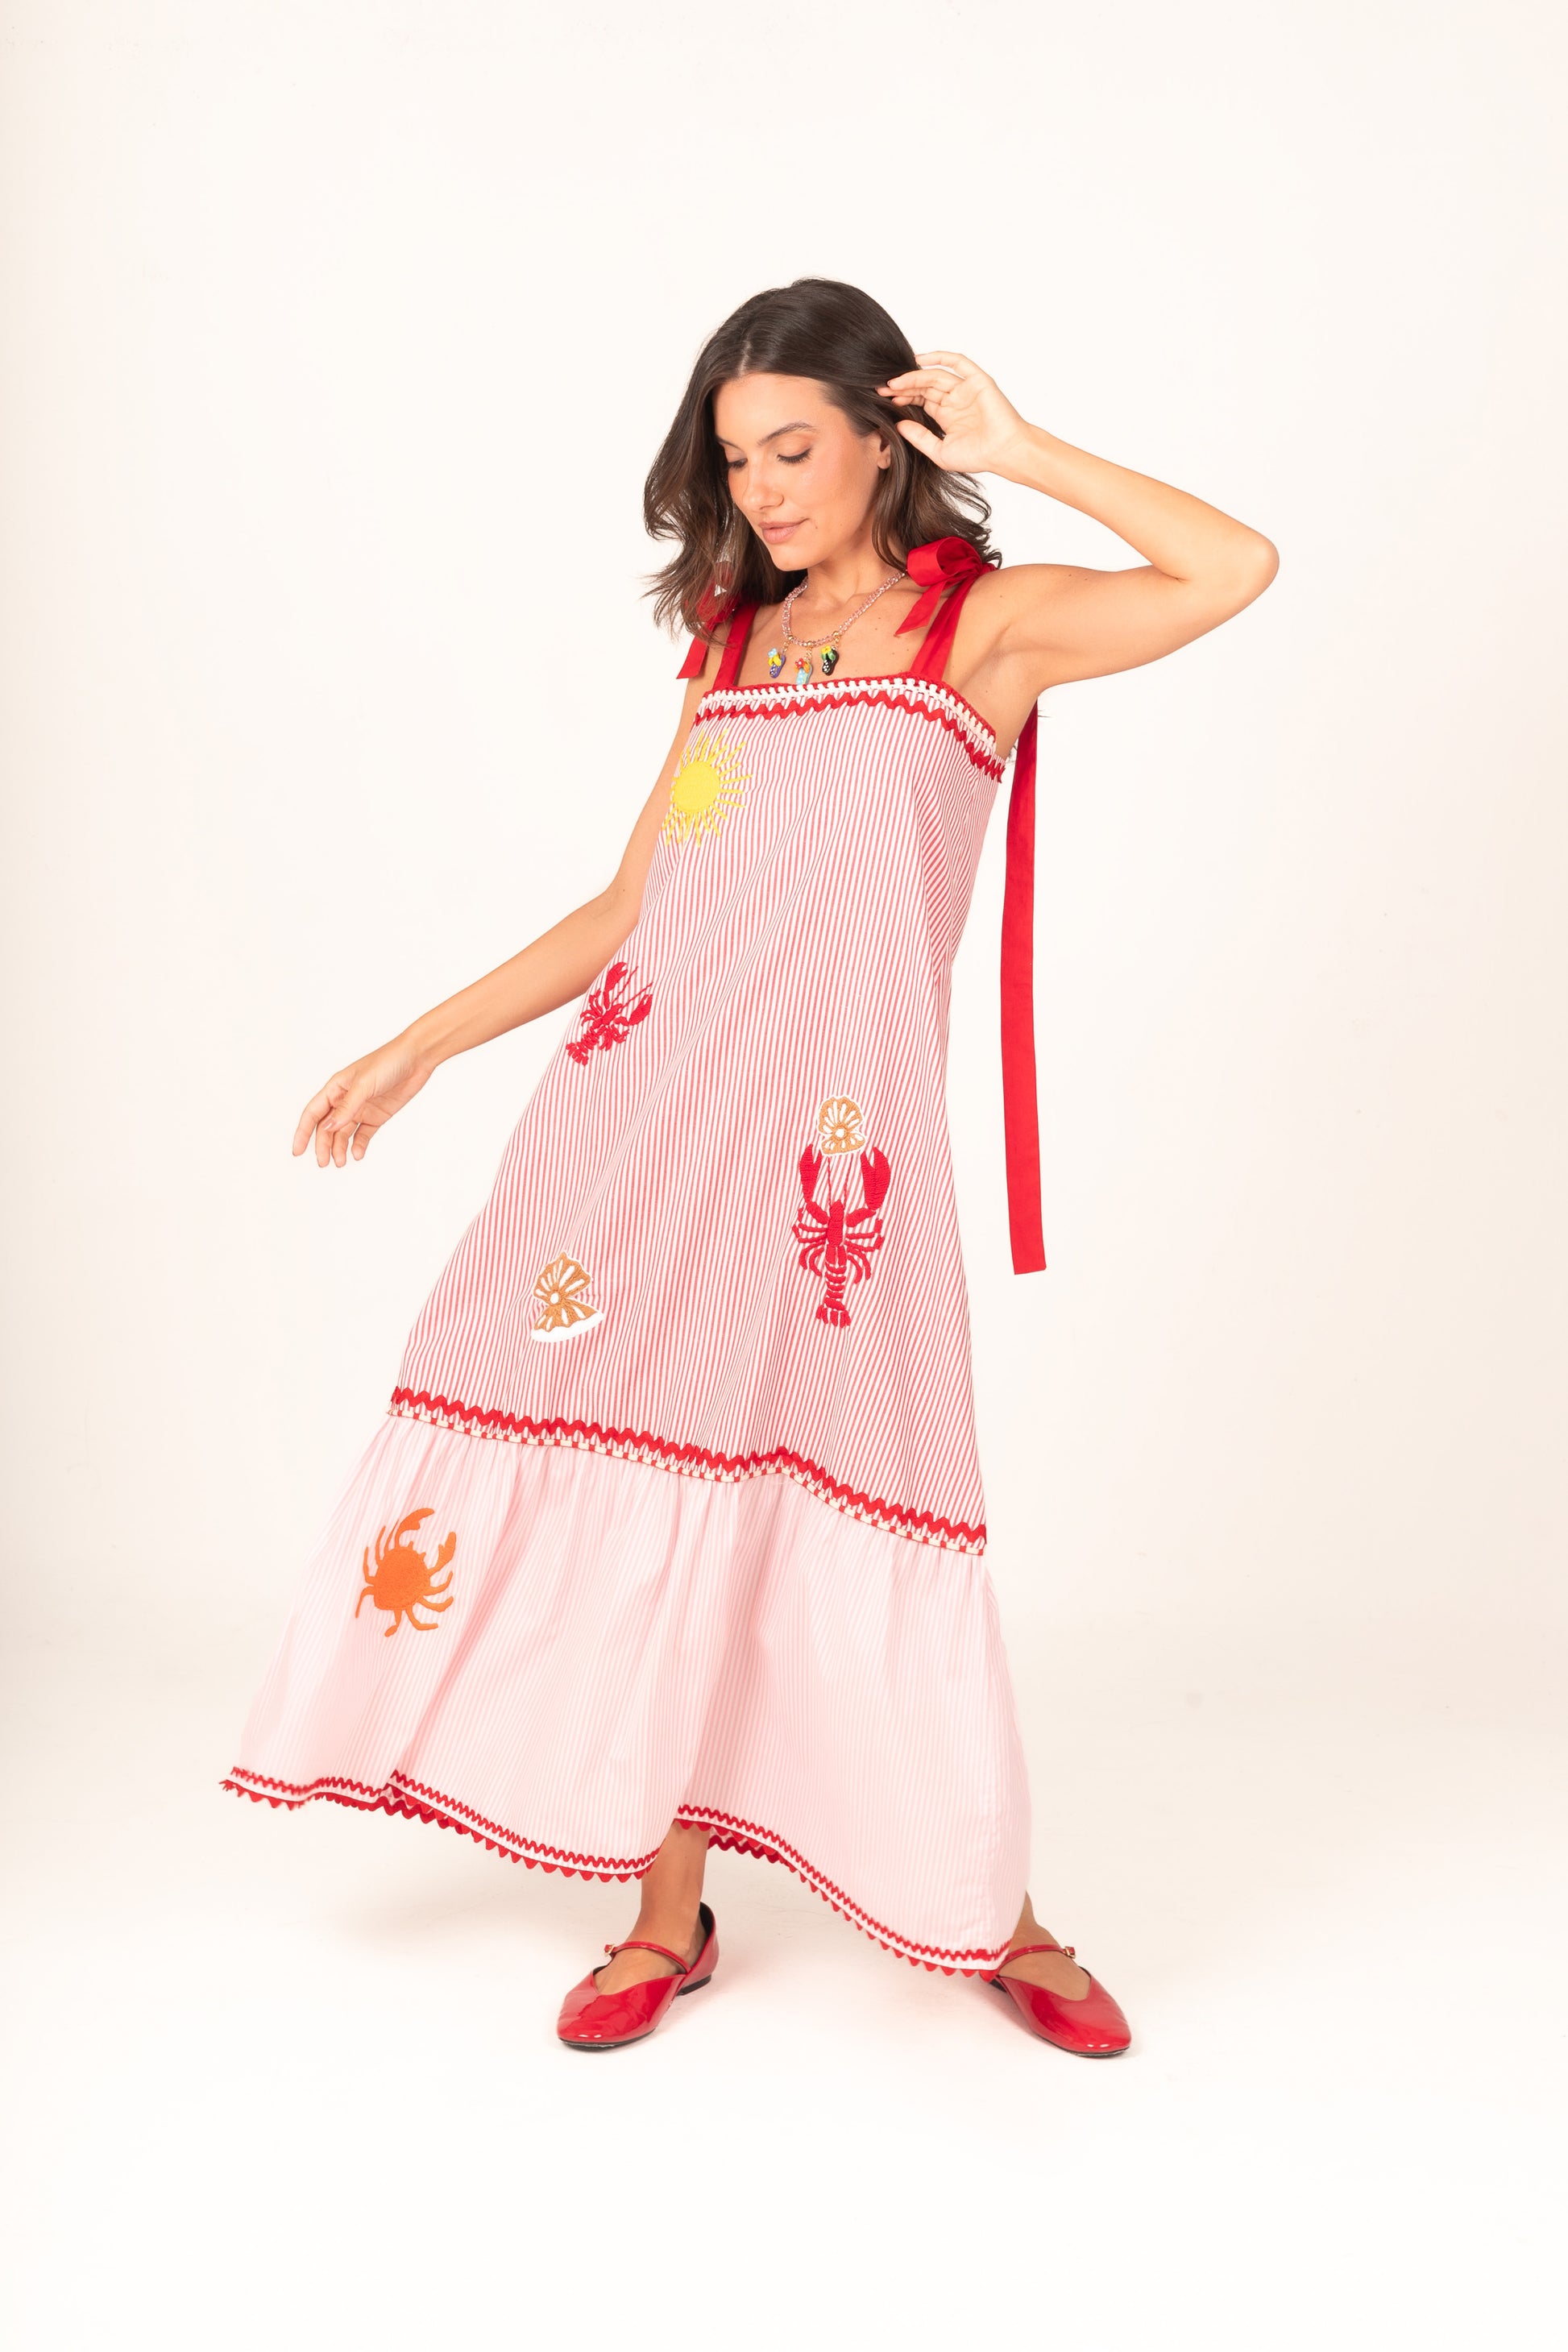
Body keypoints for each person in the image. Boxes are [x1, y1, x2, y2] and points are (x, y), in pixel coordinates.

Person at [224, 277, 1276, 2057]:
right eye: (735, 459)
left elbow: (1230, 567)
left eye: (794, 448)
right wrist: (421, 1043)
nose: (763, 489)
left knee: (856, 1487)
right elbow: (631, 907)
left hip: (833, 1183)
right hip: (636, 1138)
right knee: (660, 1478)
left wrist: (1023, 445)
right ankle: (664, 1911)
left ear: (885, 436)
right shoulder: (732, 649)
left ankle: (989, 1908)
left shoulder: (982, 630)